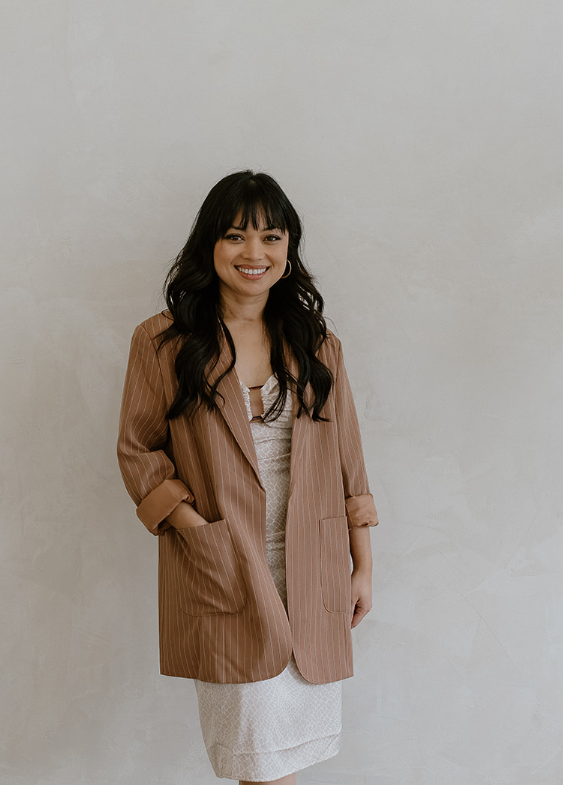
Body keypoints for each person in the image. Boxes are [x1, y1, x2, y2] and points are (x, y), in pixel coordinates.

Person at [117, 170, 378, 784]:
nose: (253, 253)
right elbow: (138, 451)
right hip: (227, 564)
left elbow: (349, 462)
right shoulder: (163, 343)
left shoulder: (317, 345)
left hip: (312, 569)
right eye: (236, 236)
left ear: (289, 251)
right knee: (257, 761)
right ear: (210, 246)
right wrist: (197, 529)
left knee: (295, 759)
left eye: (271, 236)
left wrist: (362, 565)